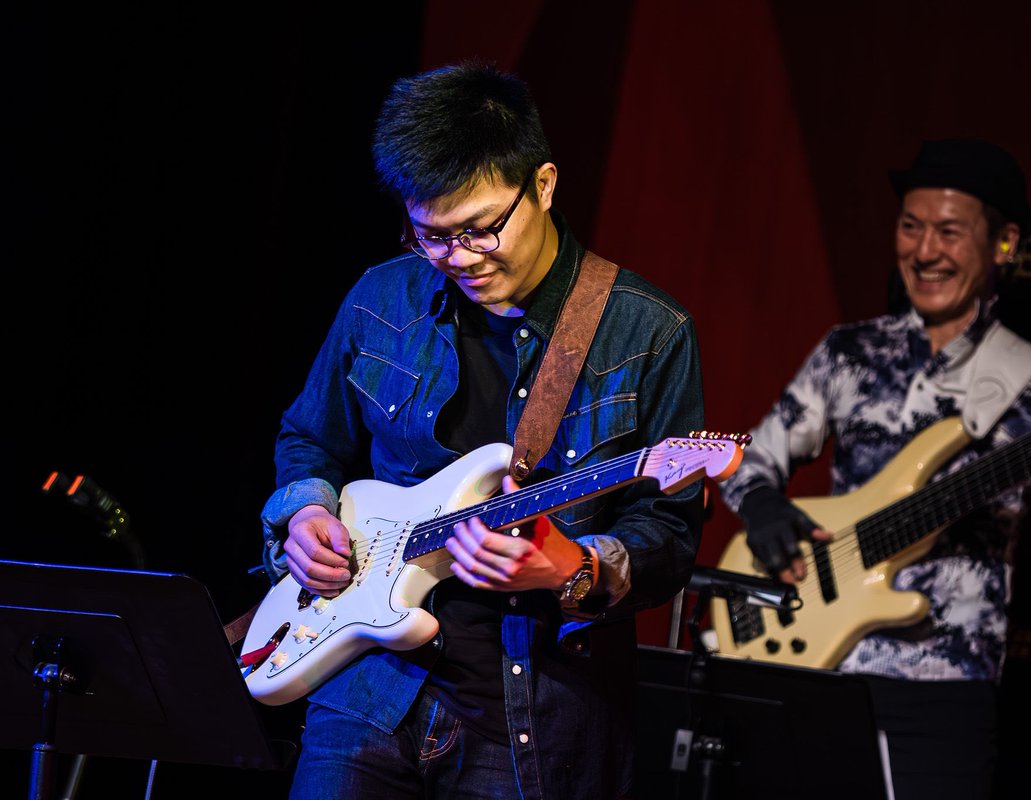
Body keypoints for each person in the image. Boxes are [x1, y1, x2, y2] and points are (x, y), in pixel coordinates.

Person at [258, 61, 705, 799]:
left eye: (481, 229)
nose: (458, 258)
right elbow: (310, 437)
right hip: (366, 687)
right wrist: (305, 511)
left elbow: (670, 535)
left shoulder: (648, 332)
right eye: (431, 236)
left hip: (532, 712)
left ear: (544, 186)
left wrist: (569, 568)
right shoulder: (381, 297)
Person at [717, 138, 1031, 799]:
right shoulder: (851, 352)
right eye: (911, 227)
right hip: (819, 669)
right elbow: (754, 458)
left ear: (1004, 244)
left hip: (945, 690)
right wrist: (764, 508)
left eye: (949, 231)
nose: (925, 250)